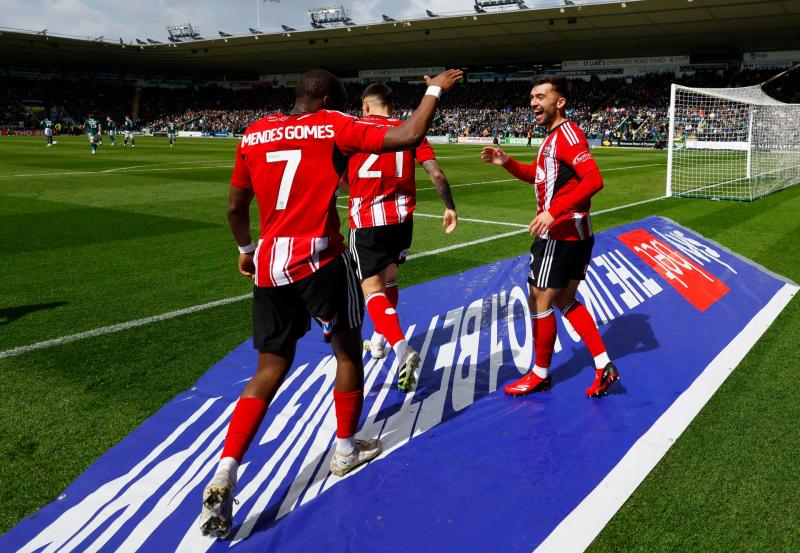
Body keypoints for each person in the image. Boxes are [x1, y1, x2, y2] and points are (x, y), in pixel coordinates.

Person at [199, 67, 463, 540]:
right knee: (347, 350)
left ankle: (225, 471)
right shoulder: (333, 125)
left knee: (268, 368)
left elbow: (236, 209)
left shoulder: (254, 132)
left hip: (268, 263)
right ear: (329, 102)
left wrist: (244, 250)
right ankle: (344, 448)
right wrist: (433, 90)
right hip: (320, 256)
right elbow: (410, 133)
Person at [480, 75, 619, 398]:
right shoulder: (553, 137)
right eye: (532, 96)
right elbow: (538, 176)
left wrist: (553, 212)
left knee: (539, 300)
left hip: (559, 234)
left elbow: (593, 180)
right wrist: (507, 162)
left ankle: (540, 373)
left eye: (541, 96)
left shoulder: (567, 136)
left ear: (560, 102)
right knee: (563, 299)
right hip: (575, 232)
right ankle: (603, 365)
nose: (533, 102)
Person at [345, 82, 458, 392]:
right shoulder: (410, 129)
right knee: (390, 280)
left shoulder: (353, 128)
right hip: (402, 221)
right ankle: (379, 342)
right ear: (391, 107)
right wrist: (450, 208)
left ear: (365, 106)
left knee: (371, 289)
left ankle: (401, 349)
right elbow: (436, 174)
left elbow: (338, 176)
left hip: (368, 221)